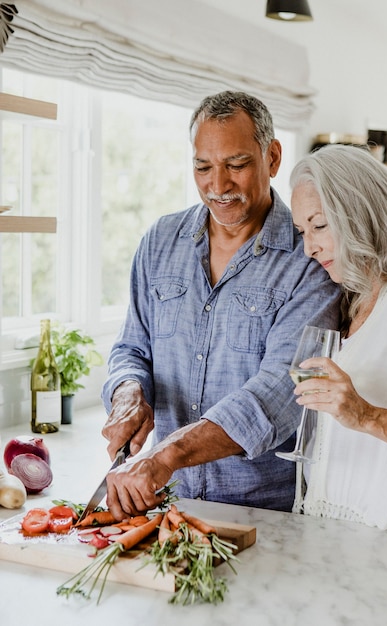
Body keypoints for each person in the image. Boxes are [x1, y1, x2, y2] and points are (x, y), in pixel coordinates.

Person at [101, 90, 340, 520]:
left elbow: (281, 392)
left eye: (236, 164)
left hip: (264, 513)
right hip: (166, 503)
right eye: (203, 166)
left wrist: (167, 454)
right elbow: (132, 349)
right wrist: (128, 394)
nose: (218, 185)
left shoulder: (310, 258)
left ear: (272, 157)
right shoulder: (160, 241)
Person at [289, 143, 387, 530]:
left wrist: (367, 416)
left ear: (360, 212)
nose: (309, 247)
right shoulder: (350, 298)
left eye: (319, 225)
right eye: (301, 231)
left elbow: (360, 417)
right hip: (334, 534)